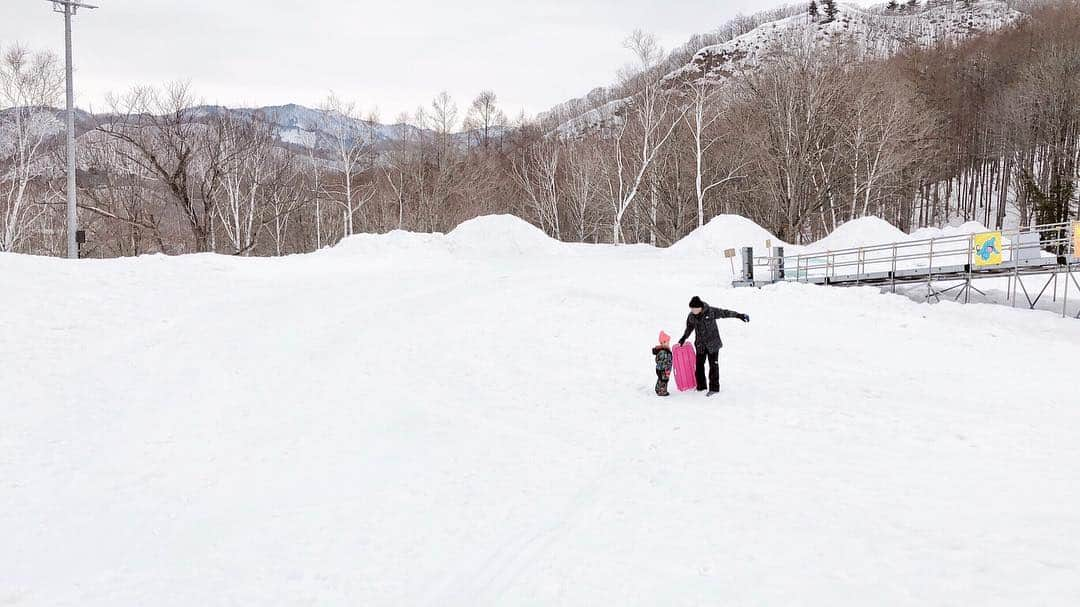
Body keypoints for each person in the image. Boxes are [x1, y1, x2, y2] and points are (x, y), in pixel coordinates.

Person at [678, 296, 749, 396]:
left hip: (713, 344)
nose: (692, 311)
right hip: (700, 345)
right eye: (691, 309)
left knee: (713, 366)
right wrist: (683, 338)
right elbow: (689, 329)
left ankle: (714, 388)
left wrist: (739, 315)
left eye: (694, 309)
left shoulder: (710, 311)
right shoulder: (691, 316)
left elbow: (725, 313)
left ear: (700, 307)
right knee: (699, 367)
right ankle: (701, 387)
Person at [652, 331, 674, 397]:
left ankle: (657, 388)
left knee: (660, 379)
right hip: (663, 369)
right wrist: (665, 367)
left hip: (661, 369)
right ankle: (662, 391)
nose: (668, 343)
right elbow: (662, 360)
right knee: (664, 380)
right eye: (667, 342)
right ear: (663, 342)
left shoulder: (664, 350)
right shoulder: (663, 352)